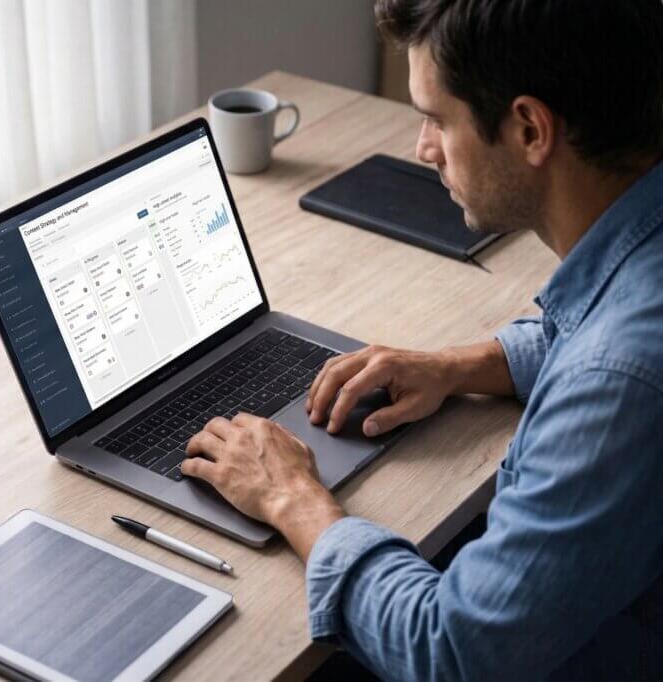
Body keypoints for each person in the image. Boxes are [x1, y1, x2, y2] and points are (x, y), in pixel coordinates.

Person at [179, 1, 663, 679]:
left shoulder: (617, 382)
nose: (422, 148)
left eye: (436, 119)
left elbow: (452, 652)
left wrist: (291, 499)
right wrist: (459, 365)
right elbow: (597, 326)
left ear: (529, 128)